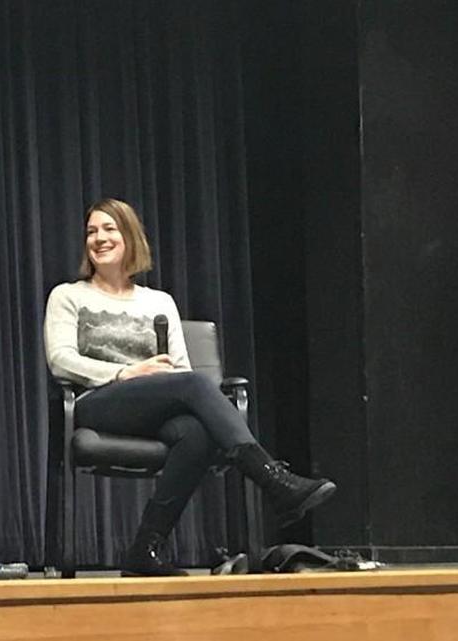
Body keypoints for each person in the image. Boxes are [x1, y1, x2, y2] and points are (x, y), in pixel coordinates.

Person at [44, 198, 337, 577]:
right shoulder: (69, 295)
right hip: (96, 403)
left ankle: (145, 548)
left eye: (109, 229)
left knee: (196, 433)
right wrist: (126, 373)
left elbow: (180, 371)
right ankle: (271, 478)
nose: (99, 238)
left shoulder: (158, 301)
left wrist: (160, 378)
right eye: (91, 231)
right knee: (196, 384)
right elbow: (61, 360)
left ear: (129, 236)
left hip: (154, 408)